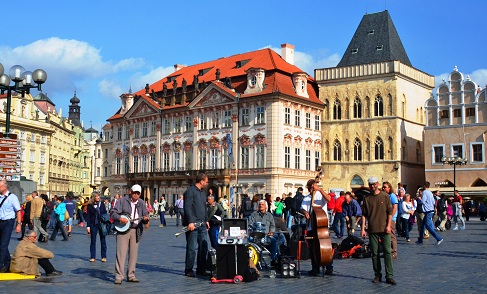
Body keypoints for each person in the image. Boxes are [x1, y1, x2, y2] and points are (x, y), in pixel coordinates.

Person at [111, 184, 149, 284]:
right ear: (130, 192)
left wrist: (146, 218)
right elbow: (113, 213)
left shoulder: (141, 203)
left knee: (133, 254)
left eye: (138, 193)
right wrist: (120, 218)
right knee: (121, 253)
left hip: (136, 230)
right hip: (123, 230)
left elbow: (145, 214)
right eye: (134, 192)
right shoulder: (122, 201)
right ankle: (119, 276)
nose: (136, 195)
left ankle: (131, 275)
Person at [361, 176, 395, 285]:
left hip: (385, 228)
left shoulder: (384, 196)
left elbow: (390, 212)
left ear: (378, 184)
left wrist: (389, 226)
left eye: (374, 184)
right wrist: (363, 229)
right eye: (370, 184)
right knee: (374, 253)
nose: (372, 186)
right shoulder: (366, 198)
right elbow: (364, 215)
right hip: (372, 229)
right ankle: (377, 274)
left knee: (387, 252)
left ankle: (389, 275)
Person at [300, 178, 334, 276]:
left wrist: (319, 190)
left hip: (322, 225)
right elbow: (302, 208)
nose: (311, 190)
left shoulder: (320, 195)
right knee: (313, 248)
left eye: (312, 188)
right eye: (309, 188)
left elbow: (329, 199)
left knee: (325, 247)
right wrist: (305, 212)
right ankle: (315, 268)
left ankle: (329, 267)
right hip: (312, 226)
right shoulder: (306, 198)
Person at [183, 173, 210, 277]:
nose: (207, 184)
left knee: (204, 247)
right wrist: (190, 221)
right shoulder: (190, 191)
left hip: (202, 223)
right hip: (193, 224)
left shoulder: (203, 192)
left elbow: (204, 207)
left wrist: (206, 219)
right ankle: (188, 269)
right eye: (206, 182)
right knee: (192, 248)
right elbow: (187, 207)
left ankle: (201, 268)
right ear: (201, 181)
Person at [249, 200, 285, 266]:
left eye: (262, 204)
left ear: (266, 207)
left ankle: (273, 259)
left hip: (266, 235)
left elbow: (272, 225)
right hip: (255, 236)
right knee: (248, 241)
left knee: (274, 241)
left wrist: (271, 231)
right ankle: (251, 260)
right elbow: (250, 224)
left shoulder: (269, 215)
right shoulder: (254, 214)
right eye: (260, 204)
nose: (260, 206)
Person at [0, 180, 22, 272]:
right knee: (1, 244)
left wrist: (18, 224)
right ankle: (8, 262)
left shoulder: (12, 197)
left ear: (5, 187)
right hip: (0, 221)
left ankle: (0, 265)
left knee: (3, 245)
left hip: (8, 222)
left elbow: (18, 211)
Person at [86, 191, 108, 263]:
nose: (98, 197)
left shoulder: (102, 204)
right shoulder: (89, 205)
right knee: (93, 241)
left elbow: (105, 213)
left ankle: (104, 256)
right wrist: (88, 226)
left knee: (103, 240)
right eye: (96, 196)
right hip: (93, 224)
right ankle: (92, 257)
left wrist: (106, 222)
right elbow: (88, 216)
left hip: (101, 224)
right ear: (93, 197)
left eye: (99, 196)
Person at [382, 181, 398, 259]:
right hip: (385, 217)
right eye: (383, 187)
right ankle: (387, 251)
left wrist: (391, 216)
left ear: (389, 187)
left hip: (391, 218)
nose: (383, 188)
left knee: (391, 235)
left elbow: (395, 207)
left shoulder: (392, 196)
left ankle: (394, 252)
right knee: (385, 235)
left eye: (385, 187)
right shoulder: (385, 196)